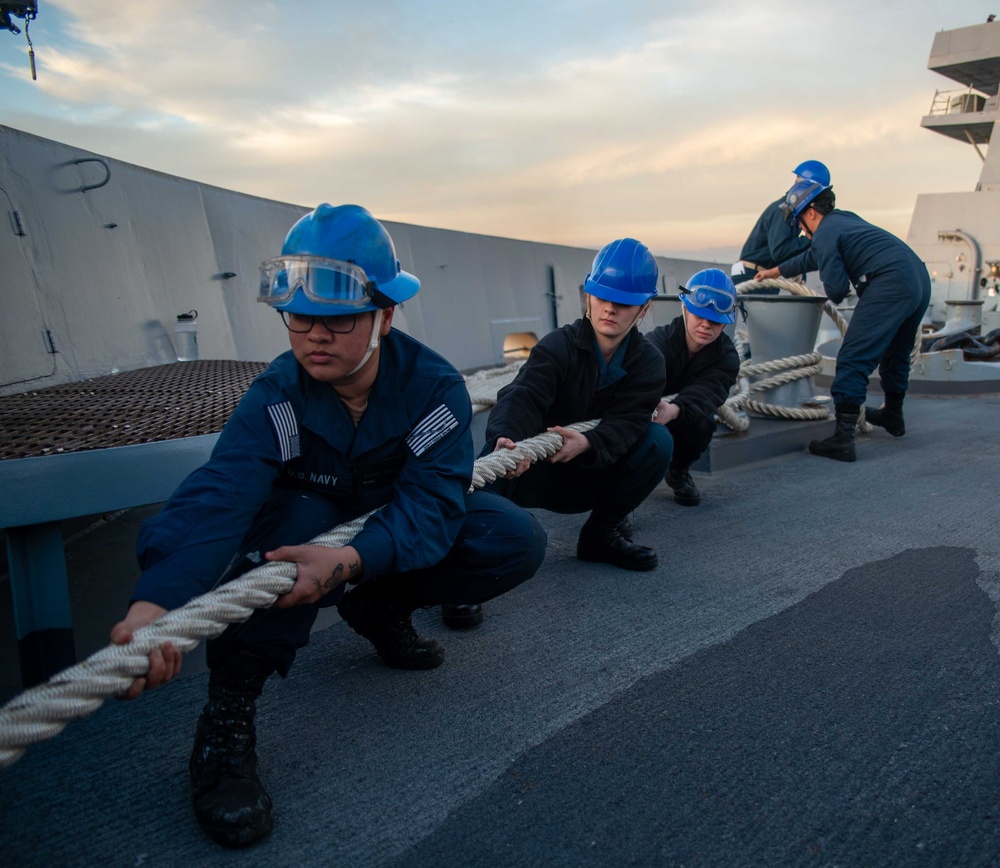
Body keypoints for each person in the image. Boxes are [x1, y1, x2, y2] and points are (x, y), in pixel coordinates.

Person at [108, 203, 547, 848]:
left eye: (339, 319)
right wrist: (156, 602)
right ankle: (230, 710)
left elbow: (430, 505)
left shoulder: (431, 389)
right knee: (291, 536)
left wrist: (349, 565)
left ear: (384, 316)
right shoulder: (278, 396)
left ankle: (380, 608)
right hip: (305, 523)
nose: (315, 333)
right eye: (299, 317)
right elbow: (221, 494)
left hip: (384, 528)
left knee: (508, 537)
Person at [438, 238, 672, 631]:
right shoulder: (557, 346)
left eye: (624, 302)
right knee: (490, 460)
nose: (609, 308)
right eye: (600, 296)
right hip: (533, 469)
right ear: (588, 295)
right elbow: (523, 394)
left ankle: (600, 535)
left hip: (593, 470)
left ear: (644, 308)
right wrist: (507, 440)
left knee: (657, 441)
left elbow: (631, 419)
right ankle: (461, 578)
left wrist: (590, 442)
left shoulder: (649, 362)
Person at [756, 180, 931, 462]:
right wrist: (774, 272)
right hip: (917, 277)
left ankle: (843, 438)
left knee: (852, 357)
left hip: (890, 281)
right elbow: (812, 256)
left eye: (799, 220)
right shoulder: (843, 221)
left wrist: (838, 285)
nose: (801, 228)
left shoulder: (825, 232)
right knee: (897, 351)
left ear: (811, 212)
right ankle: (893, 415)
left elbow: (836, 290)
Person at [646, 269, 741, 506]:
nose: (706, 325)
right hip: (646, 414)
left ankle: (677, 471)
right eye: (699, 315)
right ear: (685, 309)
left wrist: (674, 409)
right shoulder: (655, 345)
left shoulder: (726, 357)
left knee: (703, 424)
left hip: (681, 414)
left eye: (715, 321)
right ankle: (616, 504)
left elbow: (709, 393)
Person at [732, 160, 830, 292]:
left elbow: (789, 250)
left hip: (765, 276)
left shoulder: (794, 211)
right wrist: (812, 237)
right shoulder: (782, 211)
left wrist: (800, 271)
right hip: (752, 275)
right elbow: (780, 251)